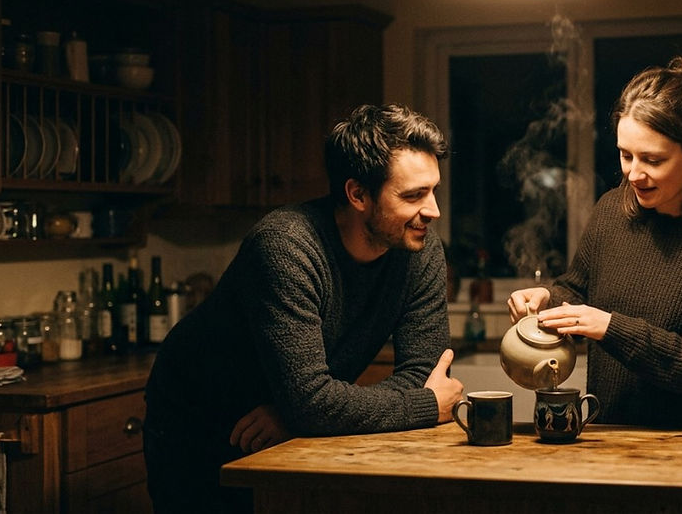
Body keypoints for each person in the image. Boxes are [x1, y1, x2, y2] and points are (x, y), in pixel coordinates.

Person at [144, 103, 464, 513]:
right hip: (199, 418)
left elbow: (425, 374)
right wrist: (312, 409)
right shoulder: (286, 245)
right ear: (357, 194)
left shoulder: (420, 249)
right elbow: (324, 401)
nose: (433, 210)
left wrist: (305, 412)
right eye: (413, 195)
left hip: (288, 428)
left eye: (433, 190)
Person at [508, 56, 682, 428]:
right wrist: (548, 298)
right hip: (610, 433)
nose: (633, 174)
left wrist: (611, 329)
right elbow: (577, 290)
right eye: (625, 155)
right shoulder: (611, 211)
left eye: (652, 159)